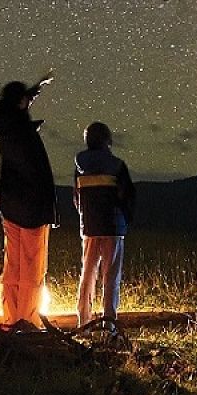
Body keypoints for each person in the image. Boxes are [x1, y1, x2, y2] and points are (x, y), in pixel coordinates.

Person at [0, 73, 57, 329]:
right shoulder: (22, 130)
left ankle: (11, 316)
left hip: (9, 202)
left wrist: (36, 89)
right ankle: (28, 320)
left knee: (13, 264)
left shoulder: (4, 125)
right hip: (32, 206)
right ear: (19, 103)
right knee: (32, 266)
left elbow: (19, 102)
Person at [73, 121, 136, 330]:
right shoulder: (117, 165)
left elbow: (76, 197)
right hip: (113, 226)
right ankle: (109, 324)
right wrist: (125, 220)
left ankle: (84, 321)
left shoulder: (79, 164)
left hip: (89, 226)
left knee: (88, 273)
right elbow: (127, 196)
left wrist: (84, 215)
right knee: (111, 276)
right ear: (108, 140)